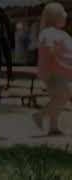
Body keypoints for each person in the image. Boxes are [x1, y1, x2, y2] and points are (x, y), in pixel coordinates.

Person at [33, 2, 72, 136]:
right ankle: (40, 115)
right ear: (54, 17)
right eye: (62, 16)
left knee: (59, 98)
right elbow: (50, 50)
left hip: (61, 72)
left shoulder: (59, 33)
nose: (65, 18)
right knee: (63, 96)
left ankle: (53, 127)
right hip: (54, 72)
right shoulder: (48, 33)